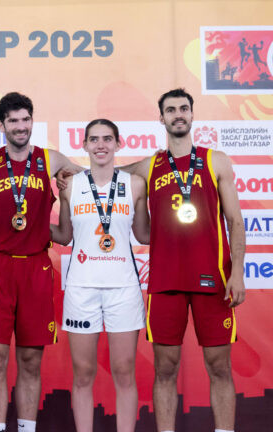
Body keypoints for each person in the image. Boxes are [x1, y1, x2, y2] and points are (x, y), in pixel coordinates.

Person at [120, 88, 245, 432]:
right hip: (166, 282)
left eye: (183, 108)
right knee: (165, 369)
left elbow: (235, 221)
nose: (178, 114)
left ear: (192, 114)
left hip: (214, 280)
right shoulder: (148, 166)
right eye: (171, 110)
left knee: (219, 367)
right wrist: (70, 173)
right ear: (161, 118)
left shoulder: (216, 160)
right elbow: (106, 173)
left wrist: (237, 273)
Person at [0, 92, 82, 432]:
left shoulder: (51, 159)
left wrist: (69, 186)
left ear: (32, 121)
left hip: (36, 267)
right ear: (1, 125)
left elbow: (98, 178)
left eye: (26, 119)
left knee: (31, 360)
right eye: (13, 121)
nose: (21, 126)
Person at [50, 119, 149, 432]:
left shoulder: (135, 184)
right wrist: (25, 222)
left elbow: (144, 234)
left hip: (123, 288)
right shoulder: (69, 186)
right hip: (82, 288)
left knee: (124, 371)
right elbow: (64, 235)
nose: (101, 145)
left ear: (118, 144)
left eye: (107, 139)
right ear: (84, 145)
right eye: (94, 139)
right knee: (83, 373)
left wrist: (182, 224)